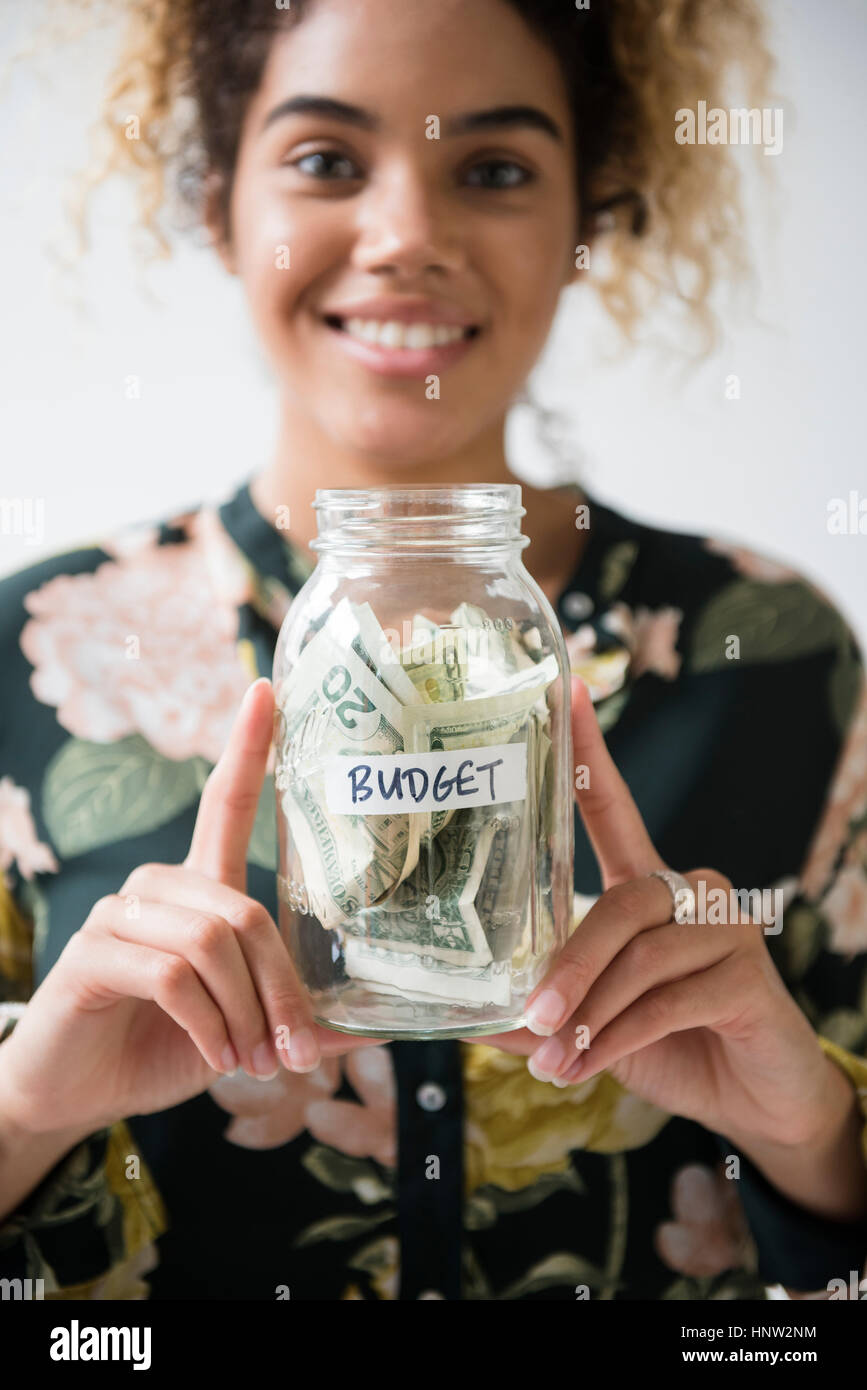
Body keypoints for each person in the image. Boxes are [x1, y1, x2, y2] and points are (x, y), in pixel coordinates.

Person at [1, 0, 866, 1302]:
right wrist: (20, 1116)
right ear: (214, 197)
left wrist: (817, 1140)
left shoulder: (777, 650)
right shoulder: (25, 657)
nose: (406, 235)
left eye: (497, 169)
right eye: (326, 160)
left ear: (591, 214)